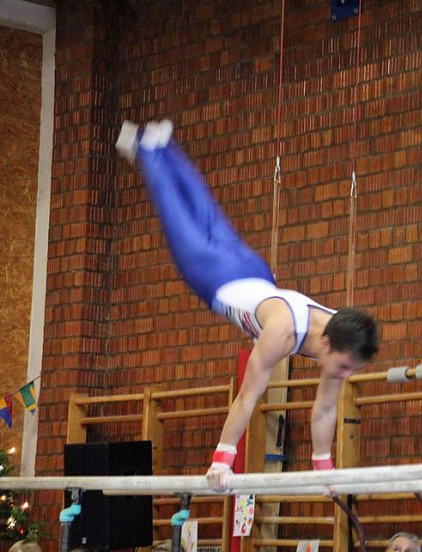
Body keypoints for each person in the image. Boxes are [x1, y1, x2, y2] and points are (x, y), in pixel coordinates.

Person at [116, 120, 379, 490]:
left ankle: (166, 145)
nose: (346, 373)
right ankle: (145, 149)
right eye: (346, 366)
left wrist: (325, 470)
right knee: (178, 214)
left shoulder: (341, 334)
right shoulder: (282, 333)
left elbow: (323, 410)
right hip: (213, 278)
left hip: (255, 272)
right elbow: (247, 397)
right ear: (326, 345)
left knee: (206, 212)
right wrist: (222, 459)